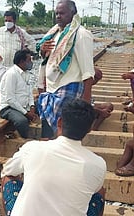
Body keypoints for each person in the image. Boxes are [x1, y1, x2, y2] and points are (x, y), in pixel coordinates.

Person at [1, 99, 106, 216]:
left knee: (8, 176)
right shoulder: (98, 164)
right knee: (99, 192)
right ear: (89, 129)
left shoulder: (32, 148)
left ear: (59, 122)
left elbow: (8, 170)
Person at [36, 0, 95, 139]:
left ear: (73, 14)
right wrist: (43, 50)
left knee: (63, 134)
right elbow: (47, 58)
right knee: (49, 133)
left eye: (62, 13)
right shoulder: (54, 33)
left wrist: (85, 104)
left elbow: (88, 71)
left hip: (68, 88)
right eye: (56, 13)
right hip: (50, 90)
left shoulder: (81, 34)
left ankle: (58, 158)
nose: (58, 16)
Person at [0, 11, 36, 112]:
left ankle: (17, 109)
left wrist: (27, 52)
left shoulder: (20, 33)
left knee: (17, 89)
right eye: (5, 20)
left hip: (15, 67)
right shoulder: (0, 31)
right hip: (2, 65)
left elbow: (32, 42)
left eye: (10, 20)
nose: (7, 22)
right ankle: (0, 110)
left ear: (14, 21)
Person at [0, 49, 38, 139]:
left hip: (22, 106)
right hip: (8, 108)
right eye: (29, 60)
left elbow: (29, 92)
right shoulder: (11, 74)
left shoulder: (26, 73)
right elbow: (10, 99)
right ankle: (27, 140)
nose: (31, 62)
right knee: (21, 121)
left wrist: (32, 107)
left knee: (43, 105)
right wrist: (26, 113)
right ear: (22, 61)